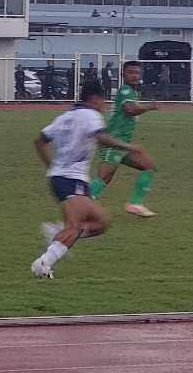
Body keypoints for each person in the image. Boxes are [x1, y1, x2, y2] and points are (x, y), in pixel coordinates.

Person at [30, 81, 140, 278]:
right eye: (103, 101)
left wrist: (52, 167)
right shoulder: (91, 115)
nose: (104, 106)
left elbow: (40, 141)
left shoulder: (65, 117)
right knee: (76, 226)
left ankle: (57, 235)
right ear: (95, 99)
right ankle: (43, 263)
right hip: (71, 180)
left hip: (65, 179)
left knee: (101, 221)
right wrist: (128, 147)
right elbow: (101, 137)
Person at [90, 61, 160, 218]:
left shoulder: (131, 92)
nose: (134, 75)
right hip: (112, 142)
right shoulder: (125, 90)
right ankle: (80, 203)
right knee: (103, 178)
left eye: (137, 72)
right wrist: (149, 106)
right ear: (123, 74)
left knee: (148, 166)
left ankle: (135, 204)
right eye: (130, 72)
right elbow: (130, 109)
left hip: (123, 144)